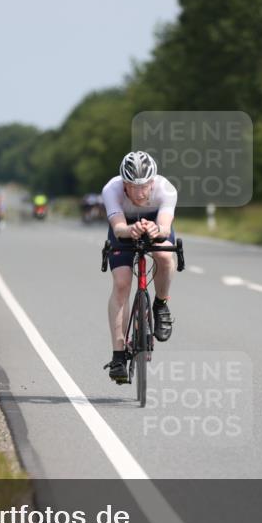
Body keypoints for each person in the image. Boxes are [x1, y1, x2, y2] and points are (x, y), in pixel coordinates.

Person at [102, 151, 177, 384]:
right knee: (122, 283)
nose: (140, 192)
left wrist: (156, 231)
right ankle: (118, 356)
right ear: (124, 183)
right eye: (133, 186)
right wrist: (130, 230)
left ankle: (161, 304)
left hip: (155, 224)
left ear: (153, 181)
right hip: (124, 228)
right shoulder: (111, 190)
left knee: (164, 257)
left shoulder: (166, 189)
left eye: (144, 185)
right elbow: (118, 228)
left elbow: (165, 227)